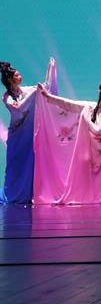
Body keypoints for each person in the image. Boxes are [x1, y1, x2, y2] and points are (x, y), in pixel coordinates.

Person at [36, 79, 101, 204]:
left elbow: (98, 130)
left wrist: (86, 118)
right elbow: (70, 104)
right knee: (84, 177)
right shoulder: (90, 107)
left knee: (97, 180)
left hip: (100, 154)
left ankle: (97, 194)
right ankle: (84, 194)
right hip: (87, 150)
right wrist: (49, 97)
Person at [1, 58, 57, 203]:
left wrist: (51, 71)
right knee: (15, 166)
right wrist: (34, 93)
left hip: (29, 135)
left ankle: (29, 194)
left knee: (30, 164)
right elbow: (18, 108)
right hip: (17, 137)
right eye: (17, 75)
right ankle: (13, 194)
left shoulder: (27, 90)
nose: (20, 76)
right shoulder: (7, 97)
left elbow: (45, 88)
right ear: (11, 79)